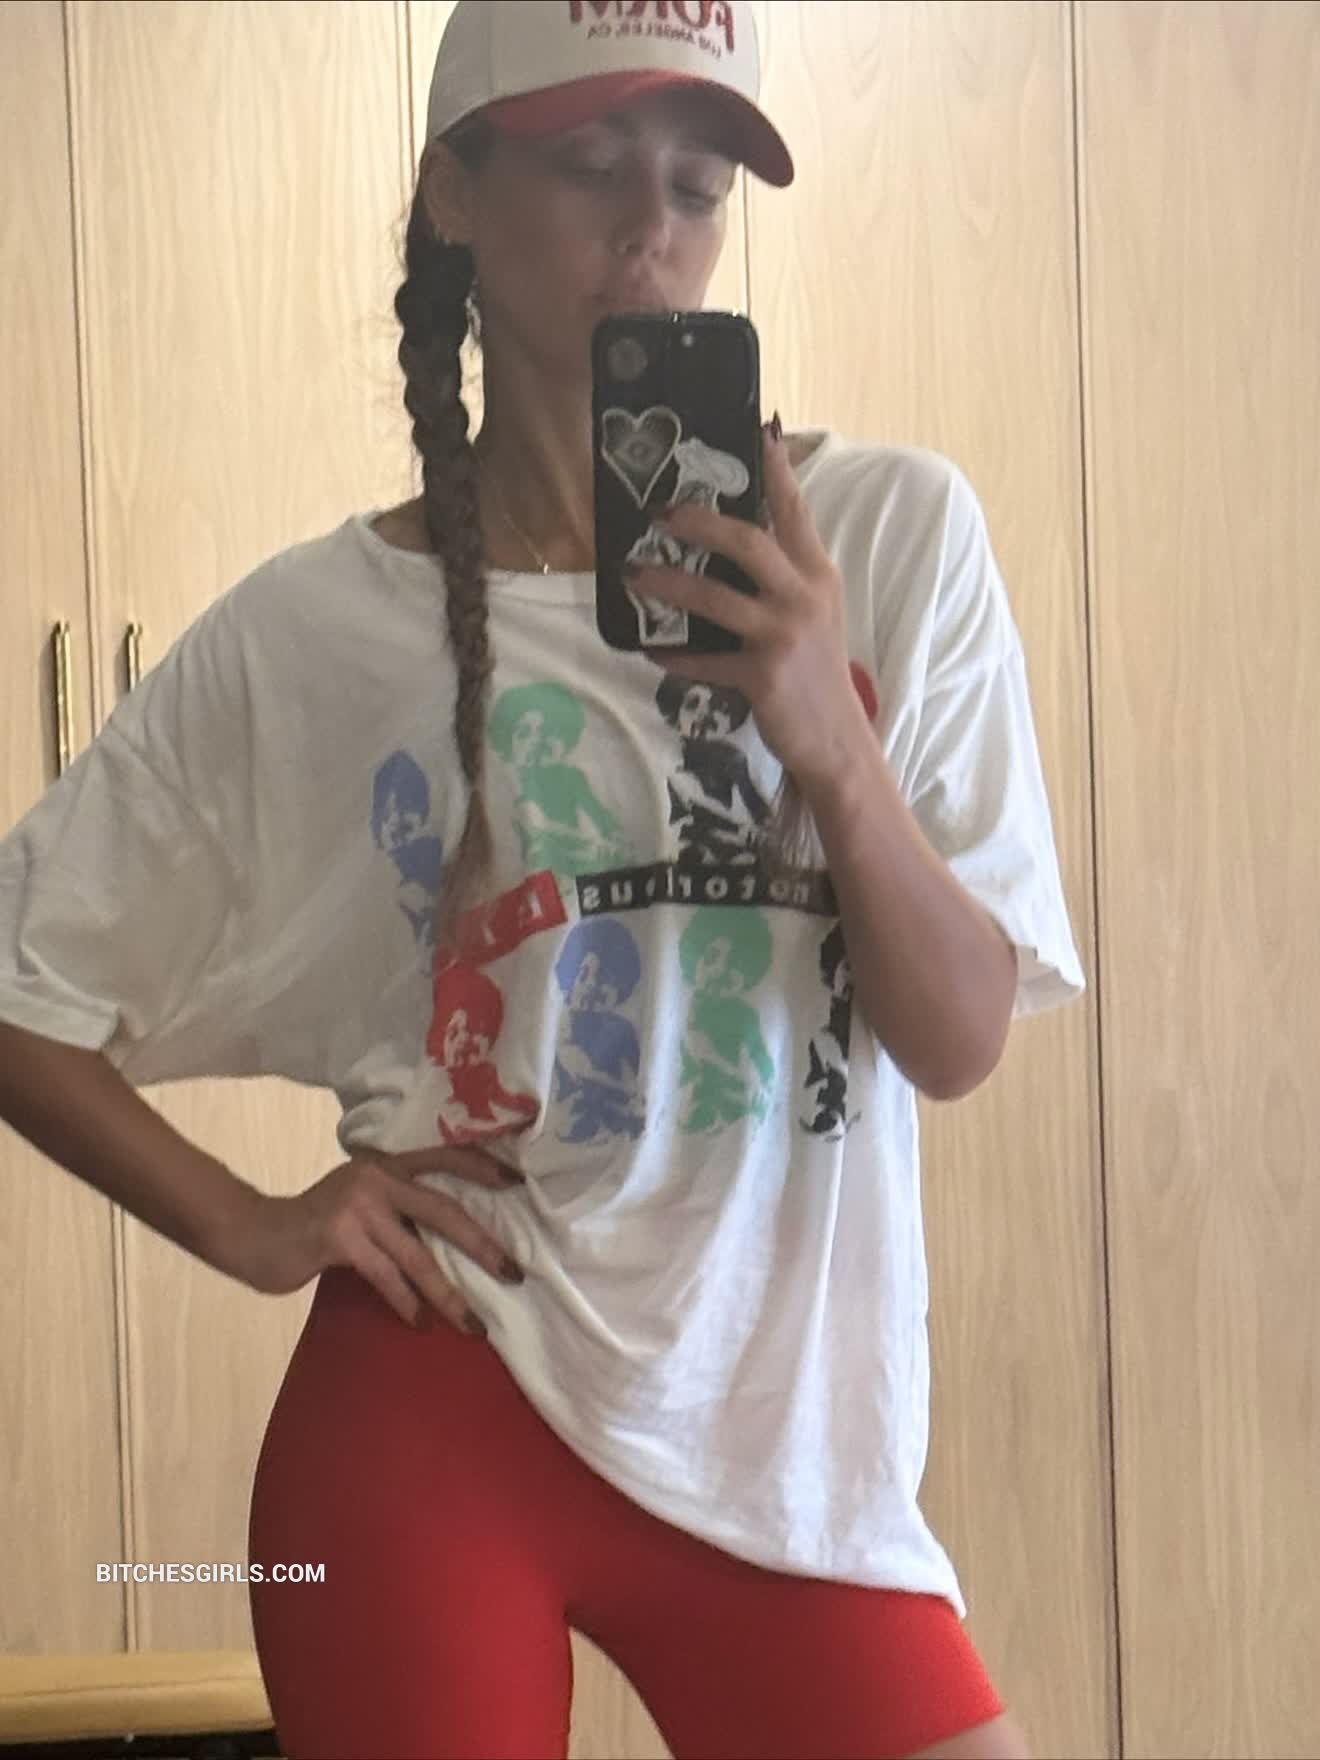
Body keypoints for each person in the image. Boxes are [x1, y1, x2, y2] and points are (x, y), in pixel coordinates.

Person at [0, 2, 1087, 1756]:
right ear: (456, 191)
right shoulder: (319, 629)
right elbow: (17, 987)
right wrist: (251, 1225)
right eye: (591, 167)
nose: (651, 231)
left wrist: (834, 743)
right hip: (436, 1415)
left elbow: (956, 1044)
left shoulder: (892, 541)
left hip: (788, 1458)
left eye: (697, 186)